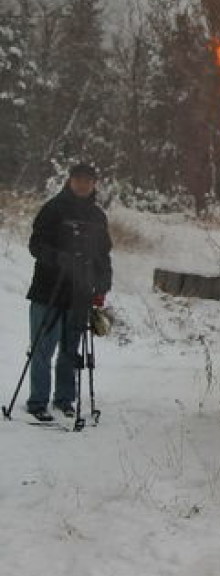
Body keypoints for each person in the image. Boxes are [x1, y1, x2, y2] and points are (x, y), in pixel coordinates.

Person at [25, 162, 113, 422]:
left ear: (94, 184)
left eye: (87, 180)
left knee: (70, 350)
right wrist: (59, 258)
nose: (82, 184)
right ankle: (37, 402)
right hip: (47, 290)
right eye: (78, 179)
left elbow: (103, 254)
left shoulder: (97, 216)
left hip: (80, 292)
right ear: (70, 181)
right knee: (42, 348)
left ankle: (64, 399)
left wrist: (103, 282)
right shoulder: (53, 209)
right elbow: (35, 245)